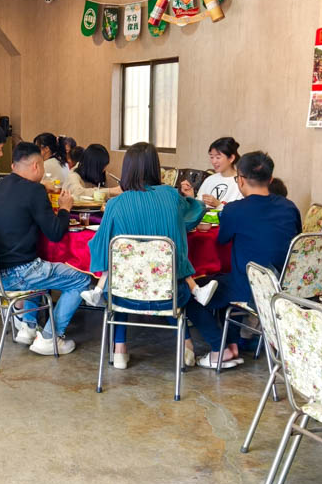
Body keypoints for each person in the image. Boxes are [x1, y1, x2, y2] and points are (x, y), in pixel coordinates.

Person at [86, 142, 205, 369]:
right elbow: (195, 213)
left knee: (120, 281)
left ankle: (119, 350)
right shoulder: (171, 196)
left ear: (127, 169)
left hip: (123, 295)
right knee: (170, 281)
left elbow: (99, 247)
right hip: (169, 295)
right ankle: (186, 346)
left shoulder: (115, 204)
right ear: (156, 167)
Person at [185, 151, 301, 369]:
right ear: (271, 180)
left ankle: (221, 349)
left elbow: (222, 240)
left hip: (252, 287)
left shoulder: (234, 210)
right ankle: (234, 343)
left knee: (189, 292)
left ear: (241, 179)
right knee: (222, 281)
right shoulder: (290, 207)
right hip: (285, 285)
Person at [0, 142, 89, 356]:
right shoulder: (34, 191)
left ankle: (28, 326)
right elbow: (55, 233)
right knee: (80, 279)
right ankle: (50, 337)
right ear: (37, 166)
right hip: (18, 275)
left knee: (40, 262)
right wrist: (65, 209)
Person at [182, 137, 242, 208]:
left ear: (231, 158)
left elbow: (239, 212)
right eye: (211, 157)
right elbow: (198, 208)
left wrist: (218, 205)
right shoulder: (210, 179)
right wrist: (191, 196)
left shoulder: (241, 182)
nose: (214, 162)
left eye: (218, 157)